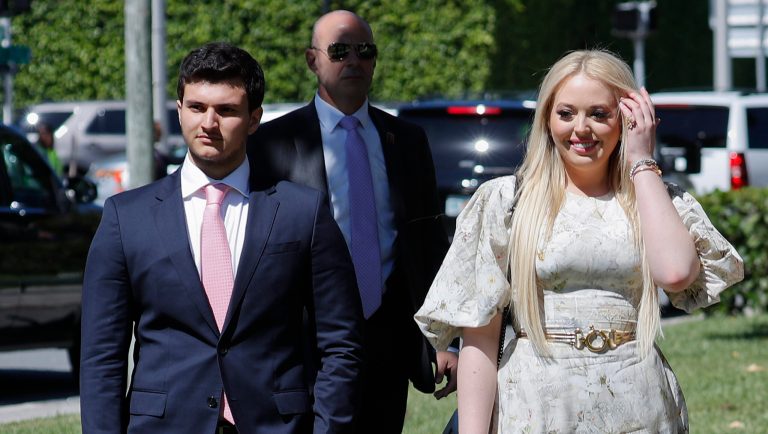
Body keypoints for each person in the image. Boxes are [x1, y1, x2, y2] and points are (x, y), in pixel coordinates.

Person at [415, 49, 744, 433]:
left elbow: (675, 273)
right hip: (534, 406)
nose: (581, 128)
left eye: (599, 114)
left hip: (638, 404)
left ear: (627, 119)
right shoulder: (506, 201)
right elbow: (481, 337)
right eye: (566, 113)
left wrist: (642, 160)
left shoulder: (653, 198)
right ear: (547, 119)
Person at [80, 42, 364, 434]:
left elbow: (342, 343)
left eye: (226, 110)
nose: (208, 123)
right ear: (179, 110)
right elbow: (101, 357)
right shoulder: (125, 218)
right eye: (196, 107)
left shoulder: (303, 213)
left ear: (254, 119)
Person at [248, 9, 456, 433]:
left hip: (389, 334)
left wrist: (446, 338)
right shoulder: (271, 143)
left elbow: (428, 245)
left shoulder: (408, 141)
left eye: (365, 51)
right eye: (339, 51)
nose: (354, 61)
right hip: (307, 339)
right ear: (312, 60)